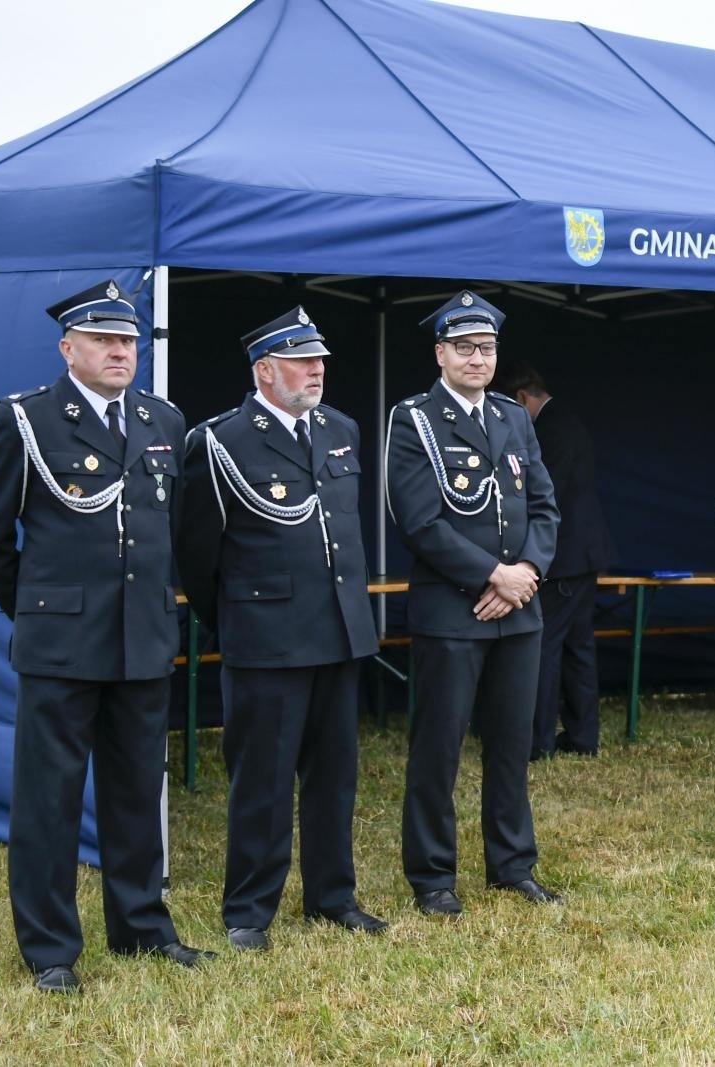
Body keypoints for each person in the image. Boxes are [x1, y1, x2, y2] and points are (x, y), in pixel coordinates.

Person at [0, 280, 213, 993]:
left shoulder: (162, 418)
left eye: (129, 340)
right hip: (61, 644)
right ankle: (49, 947)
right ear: (67, 346)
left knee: (137, 790)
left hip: (140, 638)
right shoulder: (25, 419)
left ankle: (141, 925)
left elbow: (170, 533)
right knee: (49, 798)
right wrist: (37, 610)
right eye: (104, 339)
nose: (119, 351)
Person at [178, 307, 386, 952]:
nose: (316, 369)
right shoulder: (222, 440)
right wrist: (239, 619)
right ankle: (249, 910)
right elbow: (197, 553)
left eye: (319, 358)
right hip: (266, 635)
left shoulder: (341, 429)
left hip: (339, 631)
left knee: (334, 776)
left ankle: (333, 896)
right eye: (301, 359)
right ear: (264, 370)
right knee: (263, 780)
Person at [385, 290, 562, 914]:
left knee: (512, 745)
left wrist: (528, 572)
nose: (477, 358)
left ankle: (512, 865)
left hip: (519, 611)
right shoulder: (414, 420)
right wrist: (493, 575)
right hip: (451, 611)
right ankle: (433, 877)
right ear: (441, 354)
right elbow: (419, 521)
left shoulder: (513, 418)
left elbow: (544, 505)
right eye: (464, 348)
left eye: (486, 348)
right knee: (438, 748)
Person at [495, 361, 615, 759]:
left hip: (562, 557)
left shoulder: (550, 429)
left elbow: (546, 496)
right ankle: (583, 737)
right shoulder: (568, 420)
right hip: (583, 554)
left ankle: (537, 741)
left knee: (545, 646)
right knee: (579, 648)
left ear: (522, 398)